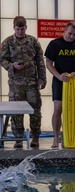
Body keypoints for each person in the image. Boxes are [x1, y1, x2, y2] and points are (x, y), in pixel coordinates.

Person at [0, 16, 47, 148]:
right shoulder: (8, 42)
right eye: (18, 29)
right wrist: (12, 66)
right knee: (16, 112)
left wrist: (42, 80)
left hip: (32, 83)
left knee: (35, 110)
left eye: (22, 29)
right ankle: (19, 139)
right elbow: (2, 59)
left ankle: (35, 137)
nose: (20, 31)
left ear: (26, 27)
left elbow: (40, 62)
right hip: (16, 85)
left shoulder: (33, 41)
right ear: (14, 28)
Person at [45, 21, 75, 148]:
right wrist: (58, 76)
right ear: (64, 31)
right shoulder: (55, 44)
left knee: (72, 109)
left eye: (74, 34)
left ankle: (69, 137)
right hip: (59, 80)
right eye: (70, 33)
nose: (71, 36)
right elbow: (48, 63)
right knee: (58, 109)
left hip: (73, 82)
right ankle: (55, 138)